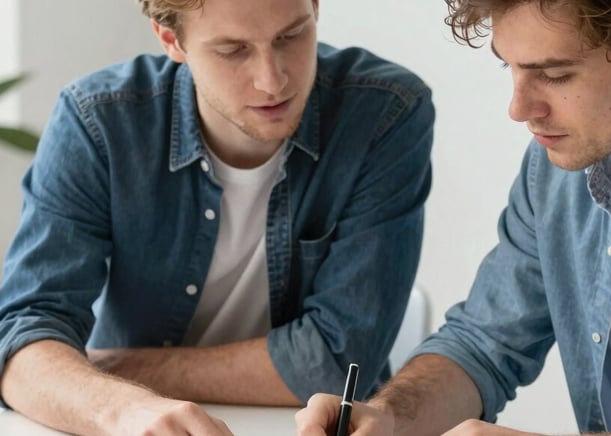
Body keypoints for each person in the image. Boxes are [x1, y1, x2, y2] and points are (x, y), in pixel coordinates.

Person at [295, 0, 611, 435]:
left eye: (556, 75)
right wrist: (389, 415)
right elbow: (482, 344)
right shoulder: (557, 170)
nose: (519, 109)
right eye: (512, 68)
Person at [0, 0, 434, 434]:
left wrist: (107, 366)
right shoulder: (100, 121)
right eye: (233, 50)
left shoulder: (386, 113)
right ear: (171, 40)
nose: (273, 80)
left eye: (290, 36)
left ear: (316, 8)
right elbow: (22, 340)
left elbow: (335, 360)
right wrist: (121, 410)